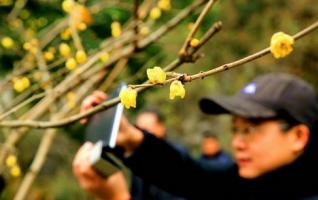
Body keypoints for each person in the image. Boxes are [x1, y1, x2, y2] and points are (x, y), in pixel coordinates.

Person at [104, 73, 318, 199]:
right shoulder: (253, 183)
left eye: (249, 130)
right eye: (235, 129)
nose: (237, 142)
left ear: (298, 136)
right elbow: (194, 178)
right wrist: (132, 139)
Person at [73, 104, 186, 199]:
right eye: (139, 129)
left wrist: (118, 197)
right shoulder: (139, 163)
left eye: (146, 129)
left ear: (161, 127)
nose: (140, 134)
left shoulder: (177, 159)